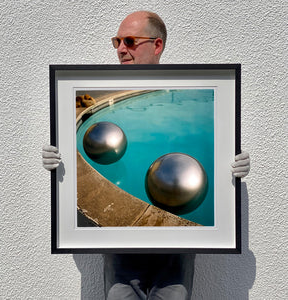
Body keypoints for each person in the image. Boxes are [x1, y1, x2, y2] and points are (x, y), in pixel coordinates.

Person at [42, 11, 250, 300]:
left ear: (157, 45)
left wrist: (233, 163)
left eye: (129, 41)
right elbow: (74, 114)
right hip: (120, 246)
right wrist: (58, 158)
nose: (120, 49)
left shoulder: (191, 90)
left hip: (175, 250)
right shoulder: (92, 91)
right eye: (116, 41)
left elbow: (213, 140)